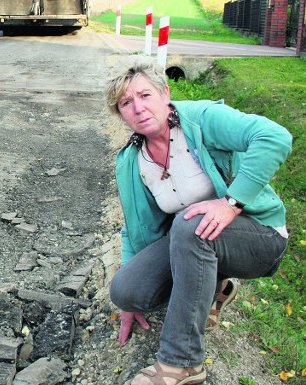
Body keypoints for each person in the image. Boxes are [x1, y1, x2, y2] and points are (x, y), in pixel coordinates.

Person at [105, 56, 292, 385]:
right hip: (196, 239)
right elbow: (133, 228)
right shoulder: (133, 161)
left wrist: (231, 203)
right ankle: (217, 287)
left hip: (260, 237)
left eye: (145, 95)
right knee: (126, 290)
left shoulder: (201, 119)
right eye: (126, 103)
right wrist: (130, 288)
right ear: (121, 114)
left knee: (190, 224)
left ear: (165, 93)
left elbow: (274, 137)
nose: (138, 107)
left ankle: (183, 362)